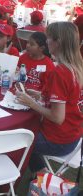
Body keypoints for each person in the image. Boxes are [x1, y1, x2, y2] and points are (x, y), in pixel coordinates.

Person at [16, 22, 83, 175]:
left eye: (49, 38)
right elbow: (69, 99)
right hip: (73, 135)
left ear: (58, 42)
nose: (46, 41)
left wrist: (31, 103)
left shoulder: (61, 72)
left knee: (16, 139)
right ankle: (42, 174)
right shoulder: (77, 66)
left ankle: (40, 177)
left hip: (58, 140)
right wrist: (41, 95)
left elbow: (57, 117)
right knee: (24, 132)